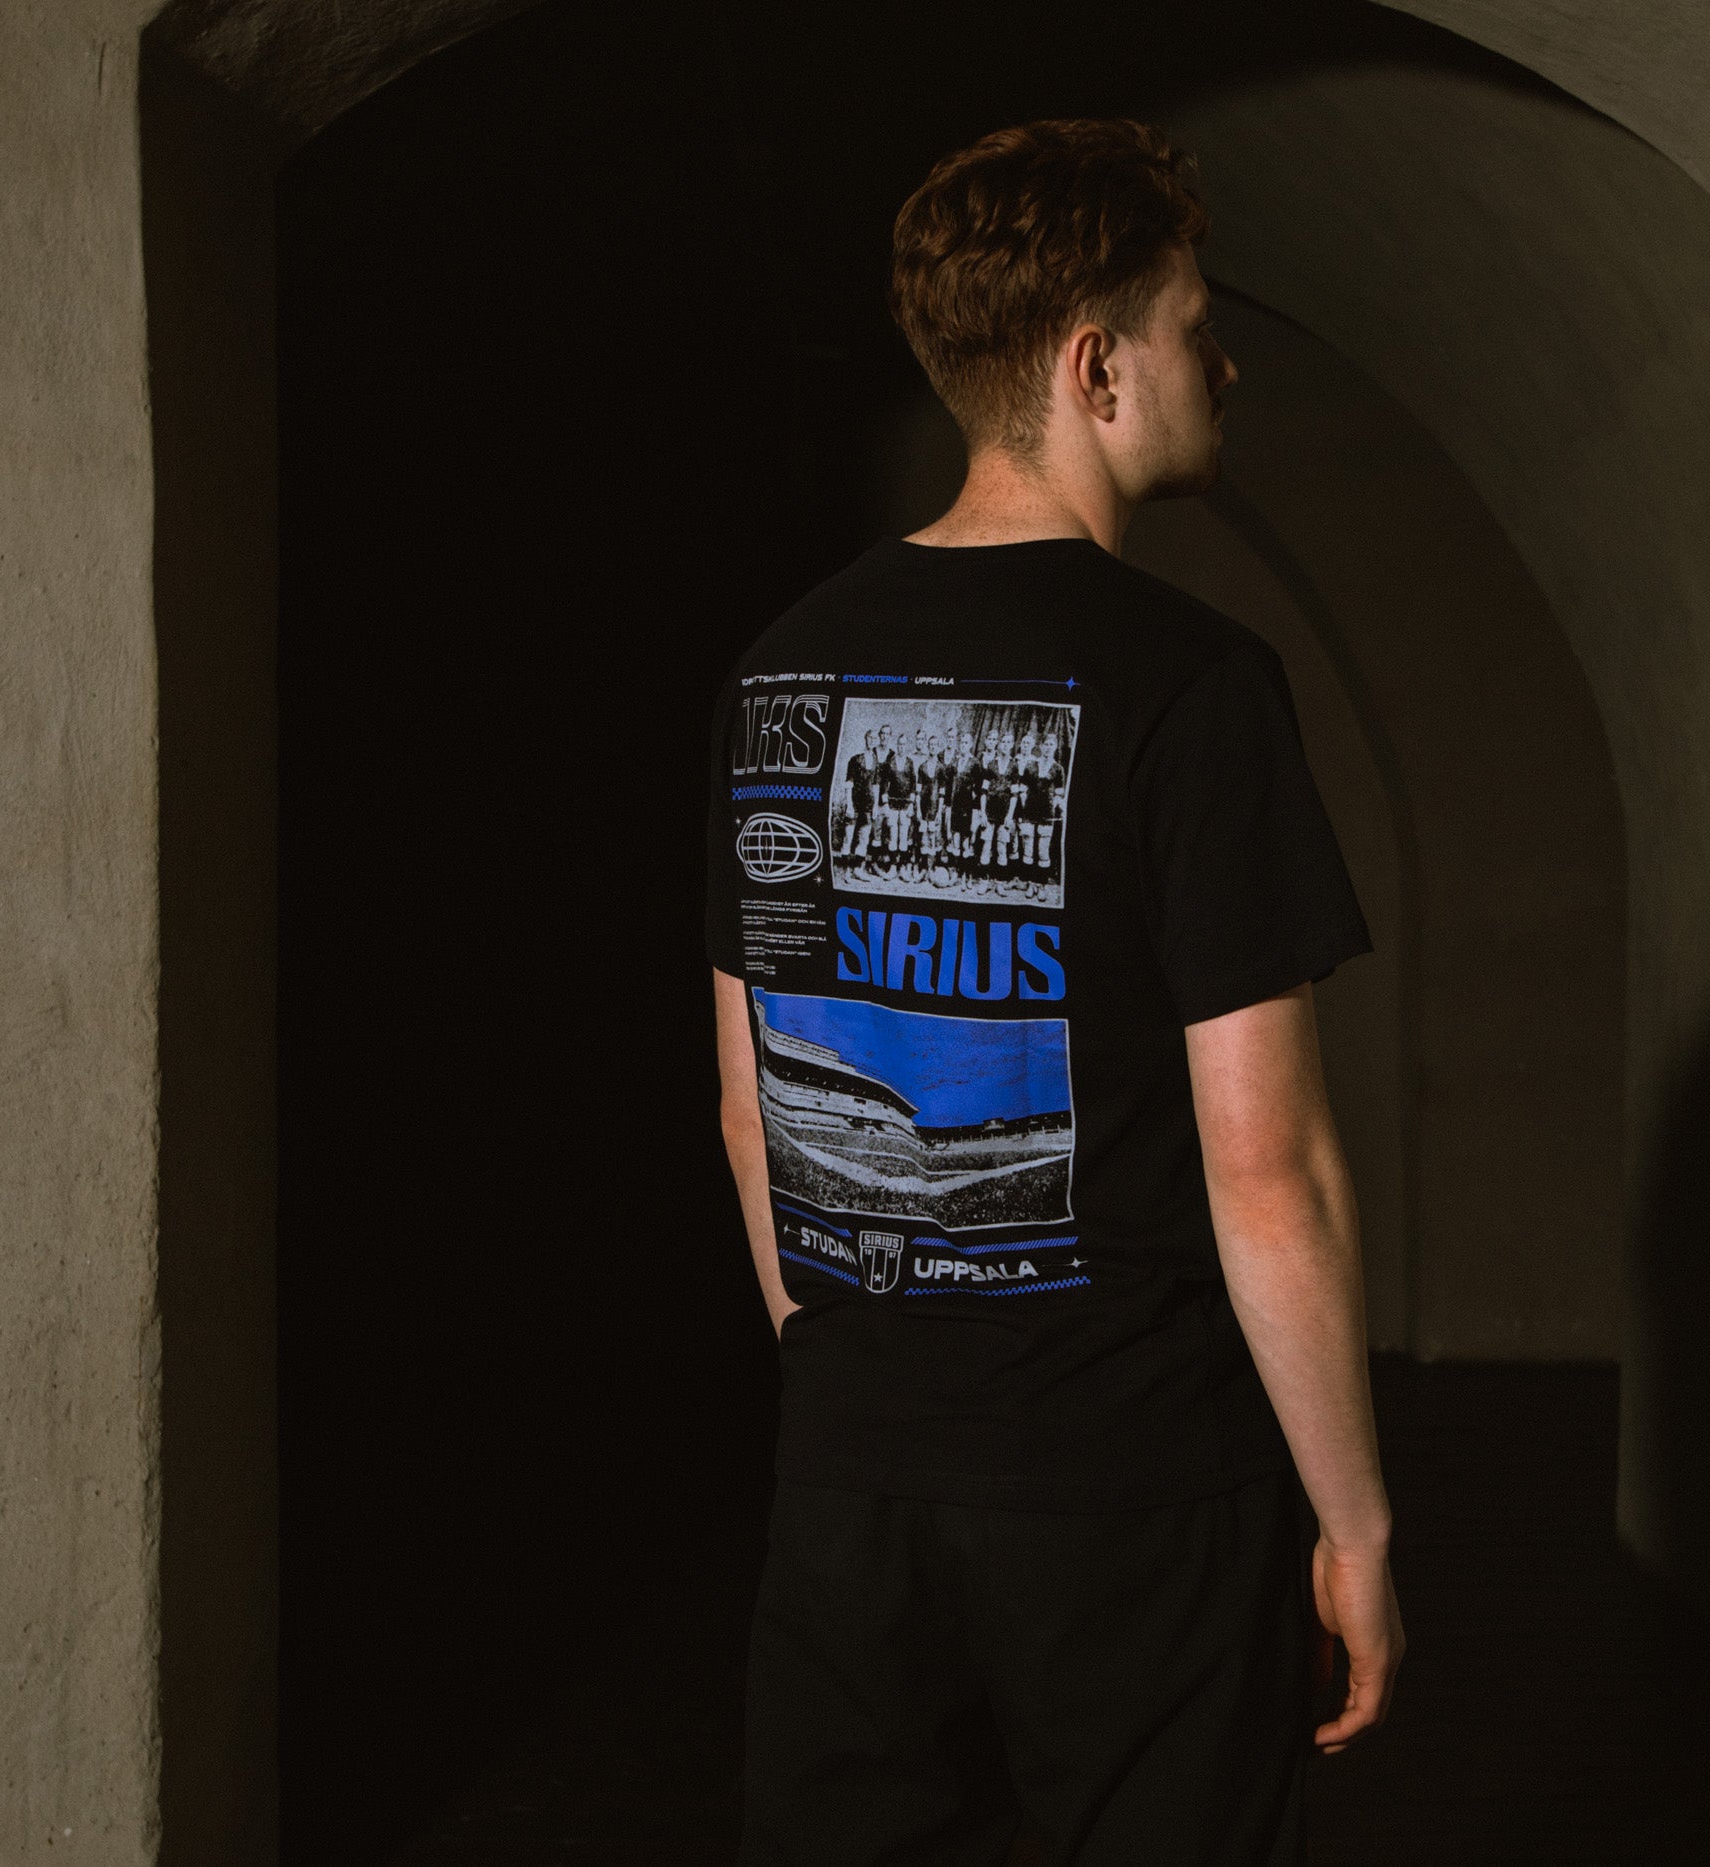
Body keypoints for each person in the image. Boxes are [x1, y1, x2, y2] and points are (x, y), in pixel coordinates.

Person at [707, 117, 1402, 1867]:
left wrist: (875, 1391)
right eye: (1192, 327)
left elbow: (755, 1112)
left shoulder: (782, 676)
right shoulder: (1195, 690)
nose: (1221, 365)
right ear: (1097, 370)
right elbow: (1269, 1177)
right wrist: (1357, 1526)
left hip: (852, 1489)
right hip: (1132, 1495)